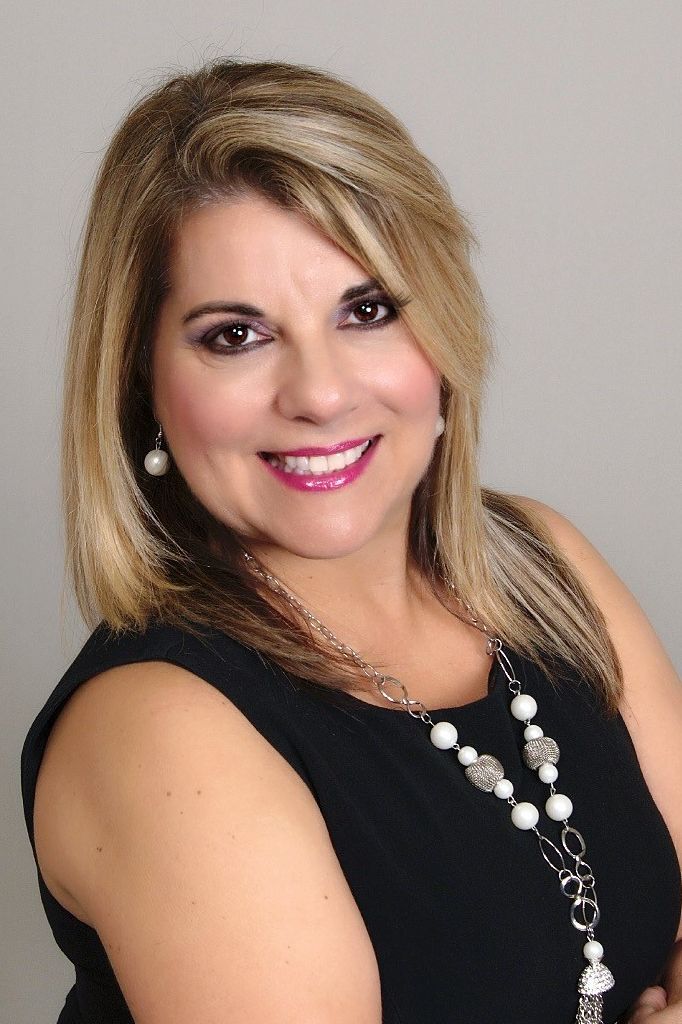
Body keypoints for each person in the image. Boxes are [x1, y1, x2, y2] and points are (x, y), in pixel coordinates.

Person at [21, 58, 681, 1024]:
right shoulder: (158, 729)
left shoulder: (544, 565)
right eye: (235, 336)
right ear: (140, 382)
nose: (321, 394)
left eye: (368, 311)